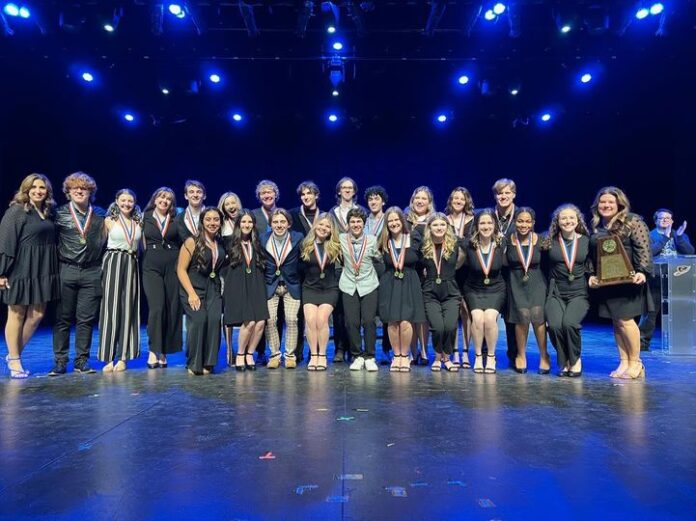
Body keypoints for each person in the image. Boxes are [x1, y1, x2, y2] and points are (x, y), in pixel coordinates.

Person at [589, 187, 653, 380]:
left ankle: (636, 363)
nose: (606, 205)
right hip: (608, 283)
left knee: (626, 320)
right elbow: (592, 255)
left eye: (610, 202)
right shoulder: (597, 226)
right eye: (602, 202)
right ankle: (624, 361)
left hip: (629, 281)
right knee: (617, 323)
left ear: (619, 204)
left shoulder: (633, 221)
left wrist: (642, 271)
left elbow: (644, 247)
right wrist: (591, 274)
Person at [0, 174, 60, 378]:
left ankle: (13, 355)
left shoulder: (48, 212)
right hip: (21, 268)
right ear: (25, 190)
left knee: (37, 315)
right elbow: (6, 243)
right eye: (33, 187)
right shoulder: (16, 211)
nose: (38, 190)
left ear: (47, 191)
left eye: (42, 187)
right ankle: (15, 360)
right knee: (16, 314)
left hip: (43, 269)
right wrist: (2, 272)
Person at [50, 172, 106, 376]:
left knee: (85, 319)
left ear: (91, 192)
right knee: (62, 318)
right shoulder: (59, 213)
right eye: (75, 188)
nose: (80, 190)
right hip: (67, 269)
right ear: (68, 192)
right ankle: (60, 361)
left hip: (92, 270)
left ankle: (81, 361)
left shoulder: (101, 213)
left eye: (84, 188)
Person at [541, 204, 591, 377]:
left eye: (571, 218)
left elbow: (595, 263)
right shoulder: (548, 240)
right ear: (557, 221)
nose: (567, 221)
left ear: (578, 220)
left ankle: (575, 359)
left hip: (578, 292)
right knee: (554, 326)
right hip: (556, 292)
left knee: (569, 324)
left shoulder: (586, 241)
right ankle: (563, 360)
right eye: (563, 218)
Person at [177, 207, 226, 375]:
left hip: (213, 287)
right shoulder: (192, 241)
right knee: (199, 320)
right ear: (202, 222)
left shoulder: (220, 242)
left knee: (213, 321)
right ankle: (194, 363)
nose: (212, 223)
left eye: (216, 220)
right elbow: (181, 270)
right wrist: (191, 294)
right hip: (193, 287)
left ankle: (209, 362)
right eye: (209, 219)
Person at [99, 189, 142, 373]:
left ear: (134, 202)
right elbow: (99, 244)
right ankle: (107, 357)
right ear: (117, 201)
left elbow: (142, 247)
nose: (126, 203)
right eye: (123, 200)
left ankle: (123, 357)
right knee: (111, 308)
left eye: (130, 200)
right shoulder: (109, 221)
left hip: (132, 262)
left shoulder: (139, 222)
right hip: (113, 261)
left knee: (128, 308)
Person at [378, 207, 426, 372]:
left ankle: (405, 355)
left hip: (409, 281)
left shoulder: (413, 237)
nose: (393, 223)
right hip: (389, 282)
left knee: (405, 321)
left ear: (402, 221)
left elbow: (422, 259)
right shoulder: (384, 241)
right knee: (392, 321)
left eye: (396, 220)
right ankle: (396, 355)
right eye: (390, 221)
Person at [638, 209, 694, 351]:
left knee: (680, 311)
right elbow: (649, 253)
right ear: (656, 220)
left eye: (668, 218)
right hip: (655, 279)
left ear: (672, 221)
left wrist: (679, 238)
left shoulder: (679, 235)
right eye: (662, 218)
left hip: (676, 279)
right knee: (650, 312)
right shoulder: (649, 235)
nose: (665, 220)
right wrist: (665, 237)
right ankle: (642, 342)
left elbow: (689, 252)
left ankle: (681, 342)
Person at [504, 207, 550, 374]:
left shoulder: (542, 240)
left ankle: (544, 355)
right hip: (516, 282)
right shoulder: (508, 240)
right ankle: (521, 355)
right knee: (522, 316)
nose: (524, 224)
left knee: (538, 317)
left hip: (536, 281)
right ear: (515, 222)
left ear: (533, 223)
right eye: (520, 221)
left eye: (527, 221)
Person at [141, 187, 182, 369]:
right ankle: (153, 349)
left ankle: (164, 350)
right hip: (151, 266)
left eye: (168, 199)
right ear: (155, 199)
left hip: (173, 266)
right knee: (157, 308)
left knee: (170, 308)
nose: (164, 201)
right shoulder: (144, 217)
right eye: (161, 197)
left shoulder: (177, 219)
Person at [462, 209, 507, 374]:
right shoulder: (468, 244)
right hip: (473, 289)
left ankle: (491, 356)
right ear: (476, 225)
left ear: (495, 225)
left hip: (496, 288)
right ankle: (478, 356)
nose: (486, 226)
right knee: (477, 318)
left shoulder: (502, 243)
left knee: (489, 318)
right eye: (482, 223)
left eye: (489, 223)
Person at [223, 210, 268, 371]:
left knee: (261, 322)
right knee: (249, 322)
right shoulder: (229, 242)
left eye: (249, 222)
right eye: (243, 222)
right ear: (238, 224)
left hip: (256, 283)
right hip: (237, 284)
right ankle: (240, 354)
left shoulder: (258, 243)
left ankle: (250, 353)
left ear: (254, 225)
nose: (246, 225)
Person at [420, 213, 465, 372]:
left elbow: (475, 244)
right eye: (435, 225)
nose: (439, 228)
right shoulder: (423, 246)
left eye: (442, 225)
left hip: (451, 291)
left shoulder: (456, 244)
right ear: (429, 228)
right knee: (438, 327)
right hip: (430, 291)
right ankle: (438, 356)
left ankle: (447, 357)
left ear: (447, 227)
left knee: (451, 326)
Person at [339, 207, 383, 372]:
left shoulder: (372, 239)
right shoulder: (341, 239)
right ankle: (357, 355)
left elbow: (378, 258)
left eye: (359, 221)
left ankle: (370, 356)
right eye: (353, 222)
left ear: (364, 224)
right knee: (351, 322)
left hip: (368, 284)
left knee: (369, 321)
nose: (356, 224)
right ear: (348, 224)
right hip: (348, 284)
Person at [262, 209, 304, 369]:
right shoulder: (263, 238)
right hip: (271, 284)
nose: (279, 225)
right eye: (275, 222)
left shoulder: (298, 237)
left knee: (292, 320)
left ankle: (290, 355)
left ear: (288, 223)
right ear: (271, 224)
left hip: (291, 284)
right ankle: (274, 355)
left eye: (282, 222)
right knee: (270, 320)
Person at [300, 213, 342, 371]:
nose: (323, 228)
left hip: (329, 288)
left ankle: (322, 355)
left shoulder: (335, 246)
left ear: (331, 230)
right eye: (321, 225)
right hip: (310, 288)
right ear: (315, 225)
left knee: (321, 319)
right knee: (310, 320)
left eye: (327, 226)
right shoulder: (305, 245)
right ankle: (314, 354)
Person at [289, 181, 322, 363]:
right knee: (300, 313)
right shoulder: (294, 215)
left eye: (309, 193)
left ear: (316, 195)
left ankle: (315, 350)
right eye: (303, 194)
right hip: (299, 267)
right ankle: (298, 350)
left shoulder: (324, 215)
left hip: (319, 268)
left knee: (316, 315)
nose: (306, 197)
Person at [329, 177, 361, 362]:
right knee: (339, 311)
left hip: (357, 266)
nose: (347, 190)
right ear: (339, 191)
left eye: (350, 187)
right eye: (344, 187)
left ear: (354, 191)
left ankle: (354, 347)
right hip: (338, 266)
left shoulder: (360, 212)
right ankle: (340, 348)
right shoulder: (332, 213)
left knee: (354, 311)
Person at [405, 186, 436, 365]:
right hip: (409, 271)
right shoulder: (405, 220)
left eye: (424, 198)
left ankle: (424, 351)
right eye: (417, 198)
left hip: (427, 272)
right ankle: (411, 351)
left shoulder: (435, 220)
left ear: (429, 202)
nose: (419, 201)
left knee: (422, 314)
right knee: (410, 313)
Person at [445, 186, 475, 368]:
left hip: (468, 271)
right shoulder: (443, 219)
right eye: (455, 198)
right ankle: (455, 350)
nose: (458, 201)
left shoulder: (474, 220)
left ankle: (465, 351)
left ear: (466, 202)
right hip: (449, 269)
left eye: (461, 199)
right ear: (450, 200)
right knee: (454, 310)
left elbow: (472, 243)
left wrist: (458, 240)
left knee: (467, 311)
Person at [492, 178, 520, 370]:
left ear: (514, 195)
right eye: (499, 193)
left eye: (507, 192)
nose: (503, 196)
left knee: (511, 315)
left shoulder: (522, 215)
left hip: (513, 272)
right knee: (487, 315)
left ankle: (515, 354)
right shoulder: (487, 215)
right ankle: (486, 354)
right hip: (490, 271)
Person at [218, 191, 243, 365]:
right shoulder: (220, 224)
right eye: (227, 204)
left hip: (244, 270)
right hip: (225, 272)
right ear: (223, 207)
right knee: (227, 311)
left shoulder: (245, 221)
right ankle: (229, 350)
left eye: (233, 202)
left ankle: (244, 350)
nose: (231, 206)